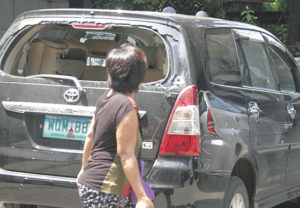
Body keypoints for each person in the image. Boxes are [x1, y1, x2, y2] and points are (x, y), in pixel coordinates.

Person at [77, 44, 154, 208]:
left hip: (91, 184)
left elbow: (90, 135)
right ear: (137, 78)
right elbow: (126, 154)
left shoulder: (105, 98)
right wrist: (142, 197)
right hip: (107, 190)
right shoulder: (126, 106)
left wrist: (84, 169)